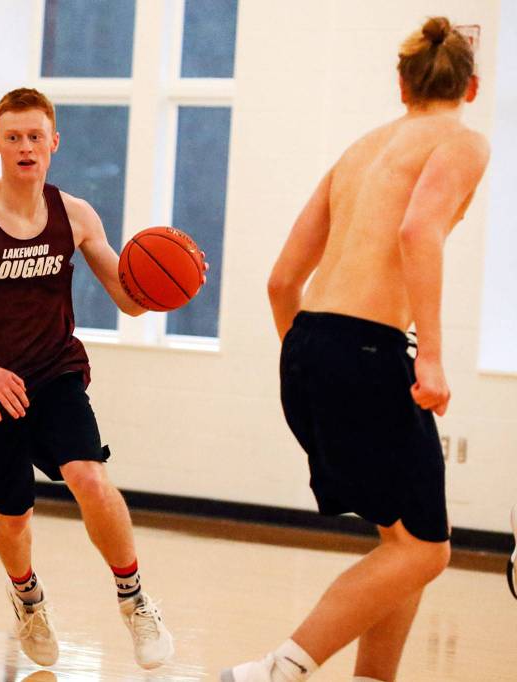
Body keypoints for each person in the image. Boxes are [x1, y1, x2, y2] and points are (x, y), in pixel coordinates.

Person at [223, 17, 489, 682]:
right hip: (367, 350)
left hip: (309, 344)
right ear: (472, 88)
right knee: (426, 552)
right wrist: (430, 357)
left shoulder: (360, 148)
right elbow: (419, 232)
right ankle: (275, 671)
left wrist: (310, 360)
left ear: (402, 84)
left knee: (402, 543)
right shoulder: (463, 142)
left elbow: (281, 281)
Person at [0, 87, 179, 670]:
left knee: (90, 477)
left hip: (54, 372)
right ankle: (28, 598)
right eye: (14, 137)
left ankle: (134, 599)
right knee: (14, 515)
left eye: (35, 136)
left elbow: (129, 300)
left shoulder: (75, 215)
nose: (25, 147)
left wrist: (172, 285)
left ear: (54, 142)